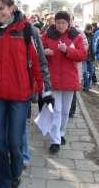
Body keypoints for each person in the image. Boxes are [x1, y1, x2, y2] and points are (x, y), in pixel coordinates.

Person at [0, 0, 53, 188]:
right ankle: (1, 182)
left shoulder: (28, 30)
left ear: (12, 8)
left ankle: (15, 171)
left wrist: (46, 91)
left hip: (21, 95)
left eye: (1, 8)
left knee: (14, 141)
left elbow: (39, 64)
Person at [42, 11, 87, 154]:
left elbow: (82, 55)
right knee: (56, 110)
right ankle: (55, 140)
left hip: (69, 80)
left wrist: (67, 50)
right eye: (58, 22)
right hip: (53, 79)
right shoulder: (47, 35)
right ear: (54, 23)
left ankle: (61, 133)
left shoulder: (76, 36)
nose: (61, 25)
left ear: (69, 23)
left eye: (63, 22)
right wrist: (44, 51)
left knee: (65, 112)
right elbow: (36, 51)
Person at [82, 24, 95, 91]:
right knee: (85, 72)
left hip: (91, 56)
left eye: (90, 30)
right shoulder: (82, 35)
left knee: (91, 72)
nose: (89, 31)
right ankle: (86, 85)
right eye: (88, 30)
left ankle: (87, 84)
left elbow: (95, 45)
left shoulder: (93, 36)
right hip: (84, 57)